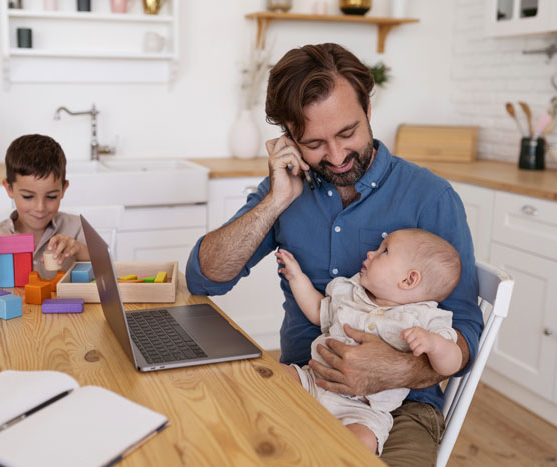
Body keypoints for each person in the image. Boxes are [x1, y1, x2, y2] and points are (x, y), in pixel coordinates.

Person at [185, 43, 483, 465]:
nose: (338, 156)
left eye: (348, 133)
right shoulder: (285, 190)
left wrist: (396, 369)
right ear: (288, 137)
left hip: (399, 410)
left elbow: (467, 331)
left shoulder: (431, 197)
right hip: (301, 384)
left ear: (368, 111)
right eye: (315, 143)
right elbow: (204, 278)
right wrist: (274, 201)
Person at [276, 228, 463, 455]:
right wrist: (298, 278)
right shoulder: (352, 293)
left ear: (409, 279)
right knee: (273, 376)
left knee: (362, 441)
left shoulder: (426, 318)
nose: (370, 253)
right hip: (312, 381)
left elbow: (451, 364)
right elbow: (318, 311)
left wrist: (435, 345)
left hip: (363, 410)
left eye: (383, 251)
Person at [0, 134, 89, 276]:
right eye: (28, 196)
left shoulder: (77, 228)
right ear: (9, 189)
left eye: (51, 196)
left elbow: (105, 269)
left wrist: (79, 249)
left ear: (63, 189)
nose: (40, 208)